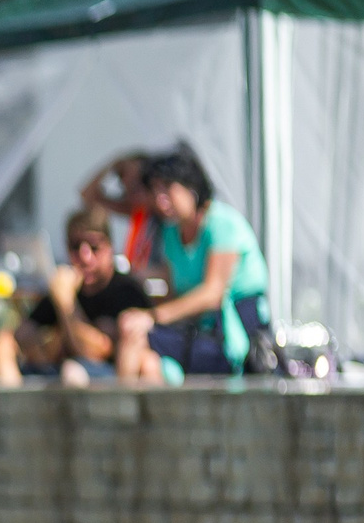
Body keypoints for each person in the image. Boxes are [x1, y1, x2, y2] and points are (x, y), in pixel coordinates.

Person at [116, 148, 272, 384]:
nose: (160, 200)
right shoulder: (170, 232)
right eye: (155, 191)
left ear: (191, 186)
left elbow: (212, 294)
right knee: (146, 361)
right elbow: (172, 292)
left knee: (135, 333)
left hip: (233, 340)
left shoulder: (221, 223)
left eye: (167, 188)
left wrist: (151, 317)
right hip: (197, 333)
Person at [0, 208, 151, 388]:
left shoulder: (126, 290)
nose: (85, 257)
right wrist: (46, 345)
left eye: (94, 247)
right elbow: (23, 335)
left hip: (109, 381)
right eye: (75, 247)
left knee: (72, 372)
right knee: (3, 343)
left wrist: (66, 304)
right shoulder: (67, 285)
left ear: (110, 247)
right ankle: (12, 409)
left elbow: (94, 352)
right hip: (61, 372)